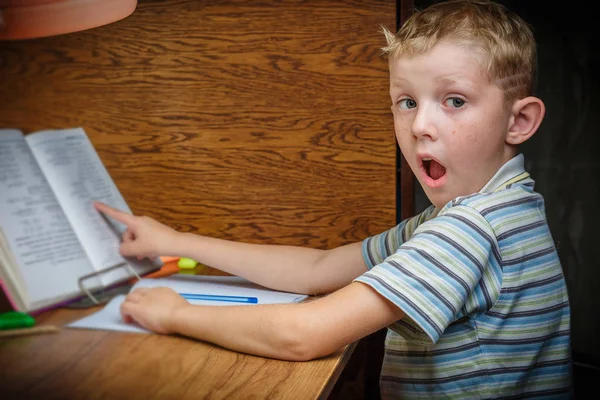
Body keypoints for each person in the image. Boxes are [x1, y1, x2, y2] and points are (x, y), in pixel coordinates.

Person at [94, 0, 572, 397]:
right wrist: (176, 240)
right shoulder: (491, 208)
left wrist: (176, 314)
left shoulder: (471, 227)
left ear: (519, 121)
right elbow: (318, 268)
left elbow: (304, 335)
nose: (420, 125)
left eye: (454, 100)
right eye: (407, 101)